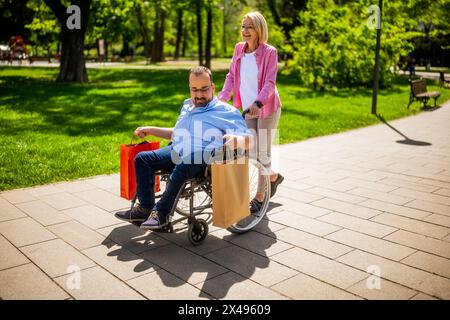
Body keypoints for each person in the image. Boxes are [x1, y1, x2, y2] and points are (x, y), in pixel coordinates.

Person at [115, 66, 251, 230]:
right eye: (194, 89)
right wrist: (151, 129)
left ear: (213, 87)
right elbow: (176, 134)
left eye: (204, 89)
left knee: (185, 162)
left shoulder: (225, 111)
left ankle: (161, 213)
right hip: (177, 149)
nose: (199, 95)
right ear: (189, 88)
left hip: (204, 156)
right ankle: (145, 209)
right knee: (143, 158)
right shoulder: (187, 106)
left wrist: (236, 139)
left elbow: (250, 139)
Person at [218, 11, 283, 213]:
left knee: (262, 153)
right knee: (249, 152)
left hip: (266, 109)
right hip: (247, 109)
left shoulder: (269, 52)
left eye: (249, 27)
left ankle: (260, 197)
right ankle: (273, 177)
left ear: (259, 29)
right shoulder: (239, 49)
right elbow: (231, 76)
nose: (245, 31)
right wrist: (222, 97)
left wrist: (258, 102)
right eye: (243, 26)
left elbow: (270, 83)